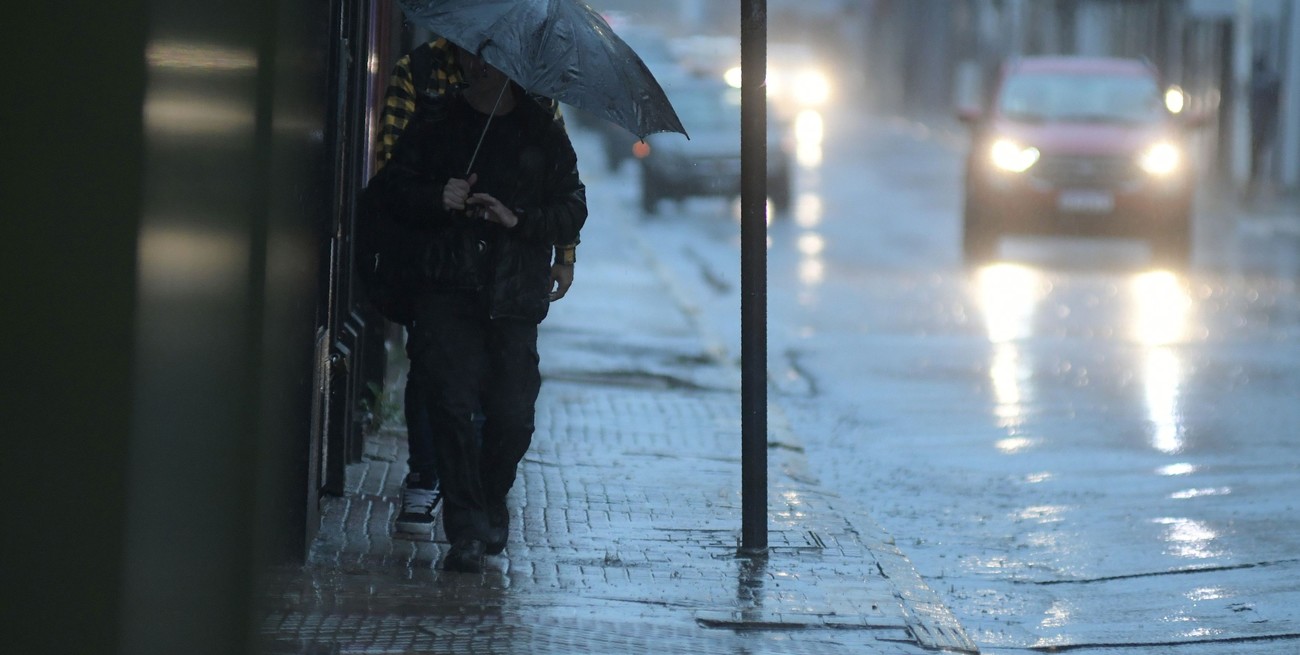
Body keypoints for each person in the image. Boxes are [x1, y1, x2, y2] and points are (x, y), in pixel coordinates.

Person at [371, 42, 587, 572]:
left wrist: (519, 221)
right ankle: (466, 528)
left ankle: (490, 500)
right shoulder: (438, 121)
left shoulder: (542, 130)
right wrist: (437, 197)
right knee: (450, 405)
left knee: (513, 416)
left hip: (513, 297)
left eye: (492, 58)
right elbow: (393, 188)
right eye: (473, 55)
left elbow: (571, 207)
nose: (478, 65)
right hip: (447, 287)